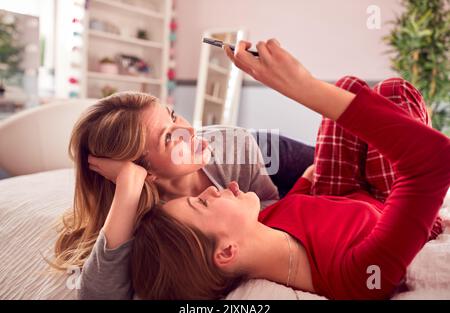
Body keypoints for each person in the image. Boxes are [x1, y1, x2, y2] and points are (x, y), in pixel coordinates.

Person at [119, 39, 450, 299]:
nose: (209, 189)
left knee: (348, 85)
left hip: (338, 194)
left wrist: (306, 182)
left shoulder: (263, 220)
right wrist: (299, 85)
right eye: (203, 203)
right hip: (383, 202)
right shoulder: (360, 277)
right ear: (228, 251)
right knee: (395, 93)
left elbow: (296, 207)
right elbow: (434, 160)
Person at [50, 89, 314, 298]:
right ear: (145, 172)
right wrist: (128, 185)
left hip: (264, 149)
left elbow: (275, 209)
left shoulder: (235, 145)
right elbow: (98, 295)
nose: (189, 130)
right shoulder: (152, 218)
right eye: (168, 138)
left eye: (173, 114)